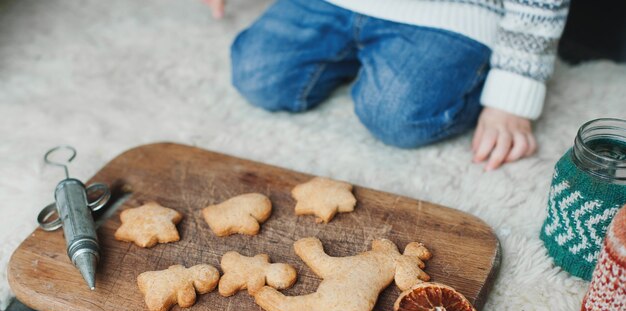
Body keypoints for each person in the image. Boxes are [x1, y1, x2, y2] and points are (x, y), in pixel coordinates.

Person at [204, 0, 569, 170]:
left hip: (453, 14)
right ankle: (360, 56)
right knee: (258, 75)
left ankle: (469, 76)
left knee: (399, 116)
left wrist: (512, 96)